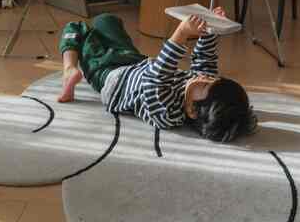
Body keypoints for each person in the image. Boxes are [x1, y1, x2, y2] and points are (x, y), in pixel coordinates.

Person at [58, 10, 258, 143]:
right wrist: (210, 30)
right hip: (134, 62)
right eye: (215, 79)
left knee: (76, 28)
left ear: (191, 110)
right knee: (106, 20)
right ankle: (92, 42)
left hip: (109, 75)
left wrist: (181, 33)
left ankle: (70, 70)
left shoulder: (167, 113)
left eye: (206, 86)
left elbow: (157, 78)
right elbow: (205, 60)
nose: (205, 79)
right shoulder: (201, 87)